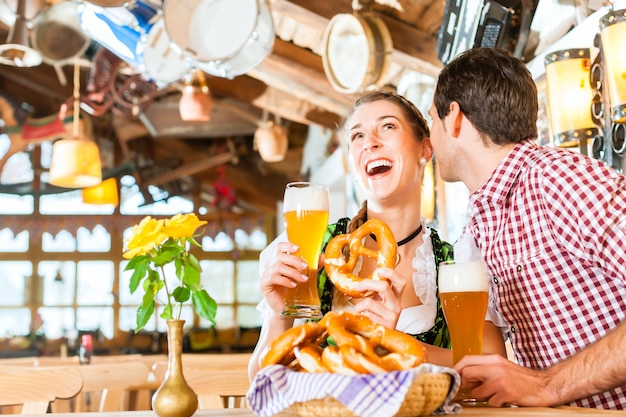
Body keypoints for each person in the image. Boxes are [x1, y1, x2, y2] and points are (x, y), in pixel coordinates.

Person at [249, 90, 506, 379]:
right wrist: (280, 315)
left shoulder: (457, 262)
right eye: (357, 136)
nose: (369, 142)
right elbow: (260, 380)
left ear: (424, 149)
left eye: (388, 127)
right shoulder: (307, 250)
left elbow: (491, 370)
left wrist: (393, 342)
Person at [428, 47, 626, 409]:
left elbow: (542, 385)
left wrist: (547, 385)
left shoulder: (557, 179)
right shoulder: (478, 224)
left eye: (431, 121)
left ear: (453, 118)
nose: (431, 140)